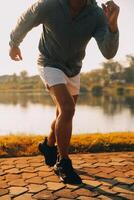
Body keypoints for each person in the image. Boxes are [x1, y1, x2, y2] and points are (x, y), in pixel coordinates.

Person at [9, 0, 120, 184]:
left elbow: (108, 53)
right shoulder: (49, 5)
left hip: (74, 68)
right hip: (49, 62)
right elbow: (26, 19)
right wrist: (14, 43)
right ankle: (63, 162)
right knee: (68, 109)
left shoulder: (96, 14)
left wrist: (112, 27)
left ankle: (48, 145)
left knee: (63, 113)